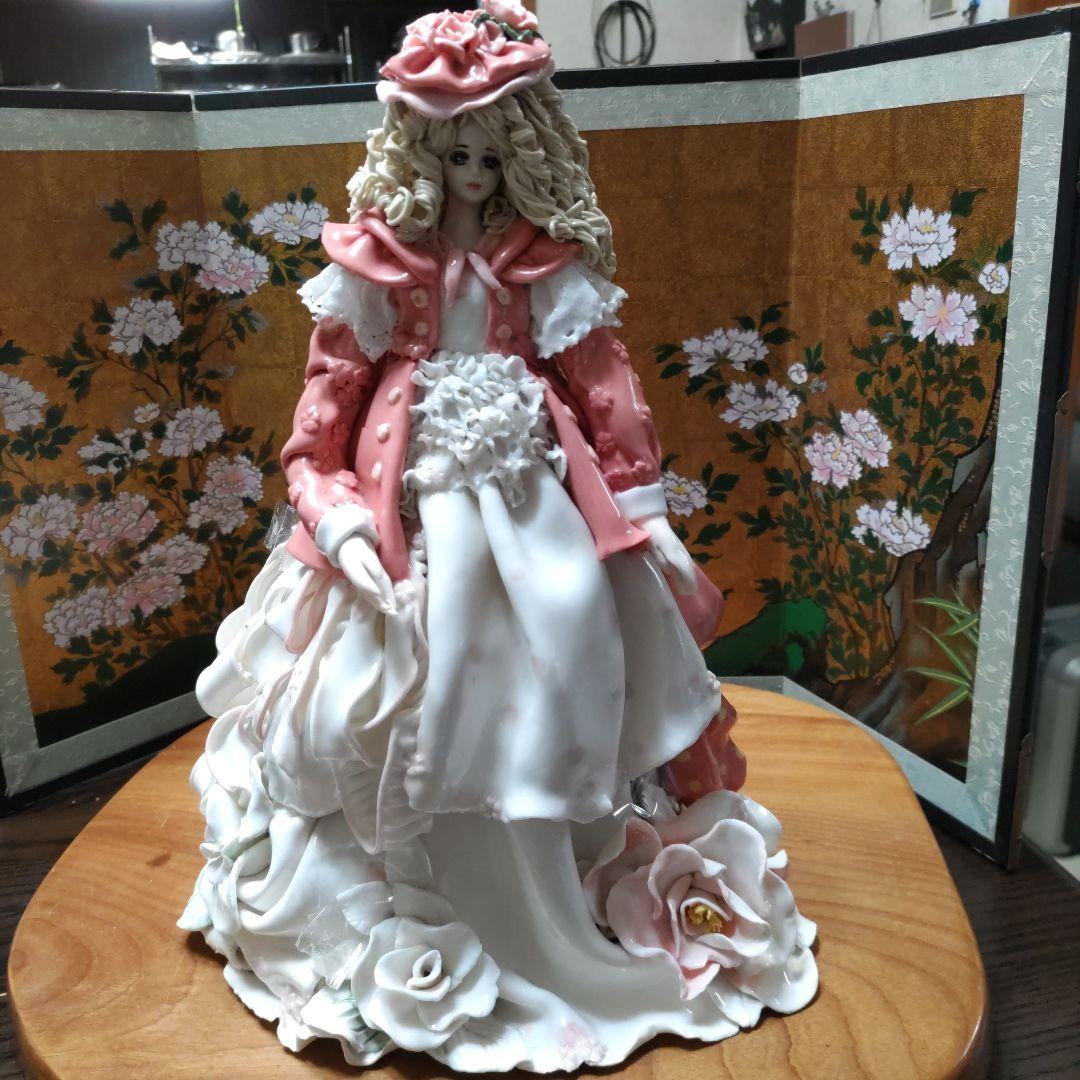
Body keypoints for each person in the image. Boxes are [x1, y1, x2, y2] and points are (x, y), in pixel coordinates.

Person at [179, 3, 817, 1071]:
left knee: (566, 634)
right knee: (396, 676)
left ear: (521, 155)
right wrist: (338, 520)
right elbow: (320, 423)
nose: (472, 176)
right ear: (420, 155)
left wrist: (645, 509)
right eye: (454, 154)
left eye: (489, 155)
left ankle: (561, 849)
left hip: (533, 502)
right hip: (411, 505)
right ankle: (411, 880)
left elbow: (606, 392)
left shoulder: (543, 263)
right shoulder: (379, 263)